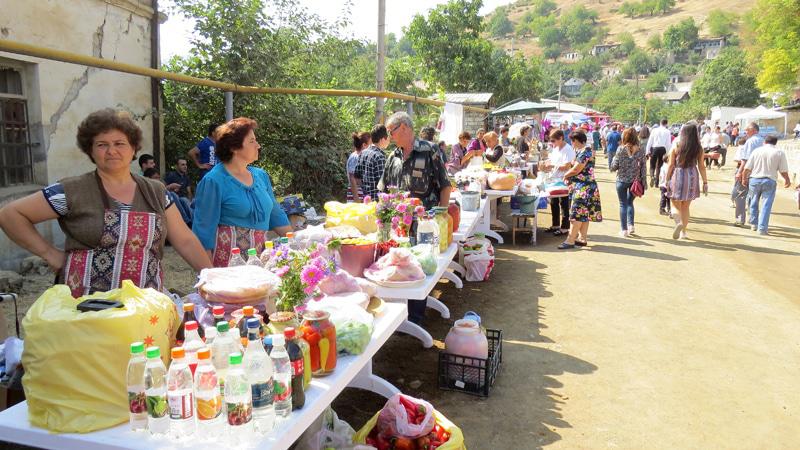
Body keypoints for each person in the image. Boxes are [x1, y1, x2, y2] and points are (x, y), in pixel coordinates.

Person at [0, 109, 211, 297]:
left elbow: (184, 240)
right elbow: (10, 215)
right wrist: (50, 254)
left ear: (133, 148)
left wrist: (213, 280)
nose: (111, 151)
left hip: (145, 304)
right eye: (102, 145)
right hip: (86, 307)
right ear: (90, 150)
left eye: (120, 143)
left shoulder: (155, 191)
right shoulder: (71, 190)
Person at [380, 111, 451, 325]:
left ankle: (416, 317)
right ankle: (401, 319)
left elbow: (445, 186)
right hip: (398, 228)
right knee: (400, 269)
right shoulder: (393, 157)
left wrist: (441, 217)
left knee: (420, 269)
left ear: (403, 128)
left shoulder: (430, 151)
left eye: (391, 131)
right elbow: (384, 192)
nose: (390, 136)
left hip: (424, 227)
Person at [192, 117, 292, 267]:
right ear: (233, 147)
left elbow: (276, 216)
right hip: (227, 268)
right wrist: (209, 275)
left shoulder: (261, 176)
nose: (258, 145)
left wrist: (297, 242)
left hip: (259, 263)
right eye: (252, 141)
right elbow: (203, 232)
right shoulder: (214, 181)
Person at [558, 131, 602, 249]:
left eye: (572, 141)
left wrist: (566, 175)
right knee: (584, 214)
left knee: (576, 214)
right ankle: (582, 238)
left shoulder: (585, 152)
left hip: (584, 188)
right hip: (584, 187)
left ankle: (570, 239)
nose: (571, 143)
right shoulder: (582, 151)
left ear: (576, 140)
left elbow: (577, 169)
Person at [665, 123, 708, 240]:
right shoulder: (699, 148)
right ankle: (683, 232)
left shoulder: (677, 145)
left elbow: (670, 165)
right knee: (686, 206)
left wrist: (667, 179)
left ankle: (678, 222)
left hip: (678, 175)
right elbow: (702, 166)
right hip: (692, 176)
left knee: (674, 204)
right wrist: (705, 182)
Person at [742, 135, 791, 235]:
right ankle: (762, 228)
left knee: (753, 201)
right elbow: (783, 170)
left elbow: (747, 168)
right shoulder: (779, 152)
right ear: (775, 143)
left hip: (754, 180)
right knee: (766, 205)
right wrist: (787, 179)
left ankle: (754, 224)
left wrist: (744, 178)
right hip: (770, 180)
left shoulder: (757, 151)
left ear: (764, 141)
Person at [610, 128, 648, 237]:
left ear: (624, 137)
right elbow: (643, 168)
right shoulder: (640, 150)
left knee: (623, 204)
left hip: (621, 180)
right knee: (630, 203)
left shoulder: (620, 149)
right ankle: (631, 225)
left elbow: (613, 167)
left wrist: (613, 159)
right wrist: (643, 182)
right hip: (635, 181)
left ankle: (624, 230)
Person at [541, 129, 575, 235]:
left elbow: (567, 166)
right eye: (551, 140)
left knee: (564, 203)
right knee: (553, 202)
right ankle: (555, 224)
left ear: (561, 138)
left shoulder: (568, 149)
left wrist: (551, 165)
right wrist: (546, 163)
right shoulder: (556, 148)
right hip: (554, 179)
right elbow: (552, 160)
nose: (552, 143)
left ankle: (565, 227)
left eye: (553, 140)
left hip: (563, 180)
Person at [732, 123, 765, 226]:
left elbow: (746, 159)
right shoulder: (763, 141)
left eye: (747, 130)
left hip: (748, 171)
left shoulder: (750, 141)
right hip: (759, 172)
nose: (745, 132)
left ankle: (740, 219)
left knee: (740, 194)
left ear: (753, 130)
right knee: (754, 197)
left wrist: (740, 172)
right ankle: (753, 221)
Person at [354, 124, 389, 201]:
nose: (389, 141)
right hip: (378, 202)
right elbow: (383, 185)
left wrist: (366, 189)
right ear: (382, 139)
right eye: (388, 138)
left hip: (366, 200)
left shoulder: (363, 153)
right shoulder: (380, 156)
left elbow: (357, 177)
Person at [646, 119, 671, 187]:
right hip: (662, 149)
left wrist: (647, 151)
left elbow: (650, 141)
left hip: (655, 148)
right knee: (659, 166)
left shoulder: (654, 130)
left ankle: (652, 176)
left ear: (660, 123)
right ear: (666, 124)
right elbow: (668, 143)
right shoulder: (667, 131)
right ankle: (657, 182)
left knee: (652, 165)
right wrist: (668, 153)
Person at [347, 132, 370, 202]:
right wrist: (356, 199)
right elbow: (352, 178)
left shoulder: (360, 156)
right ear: (364, 145)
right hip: (356, 195)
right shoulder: (356, 157)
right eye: (370, 145)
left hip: (360, 194)